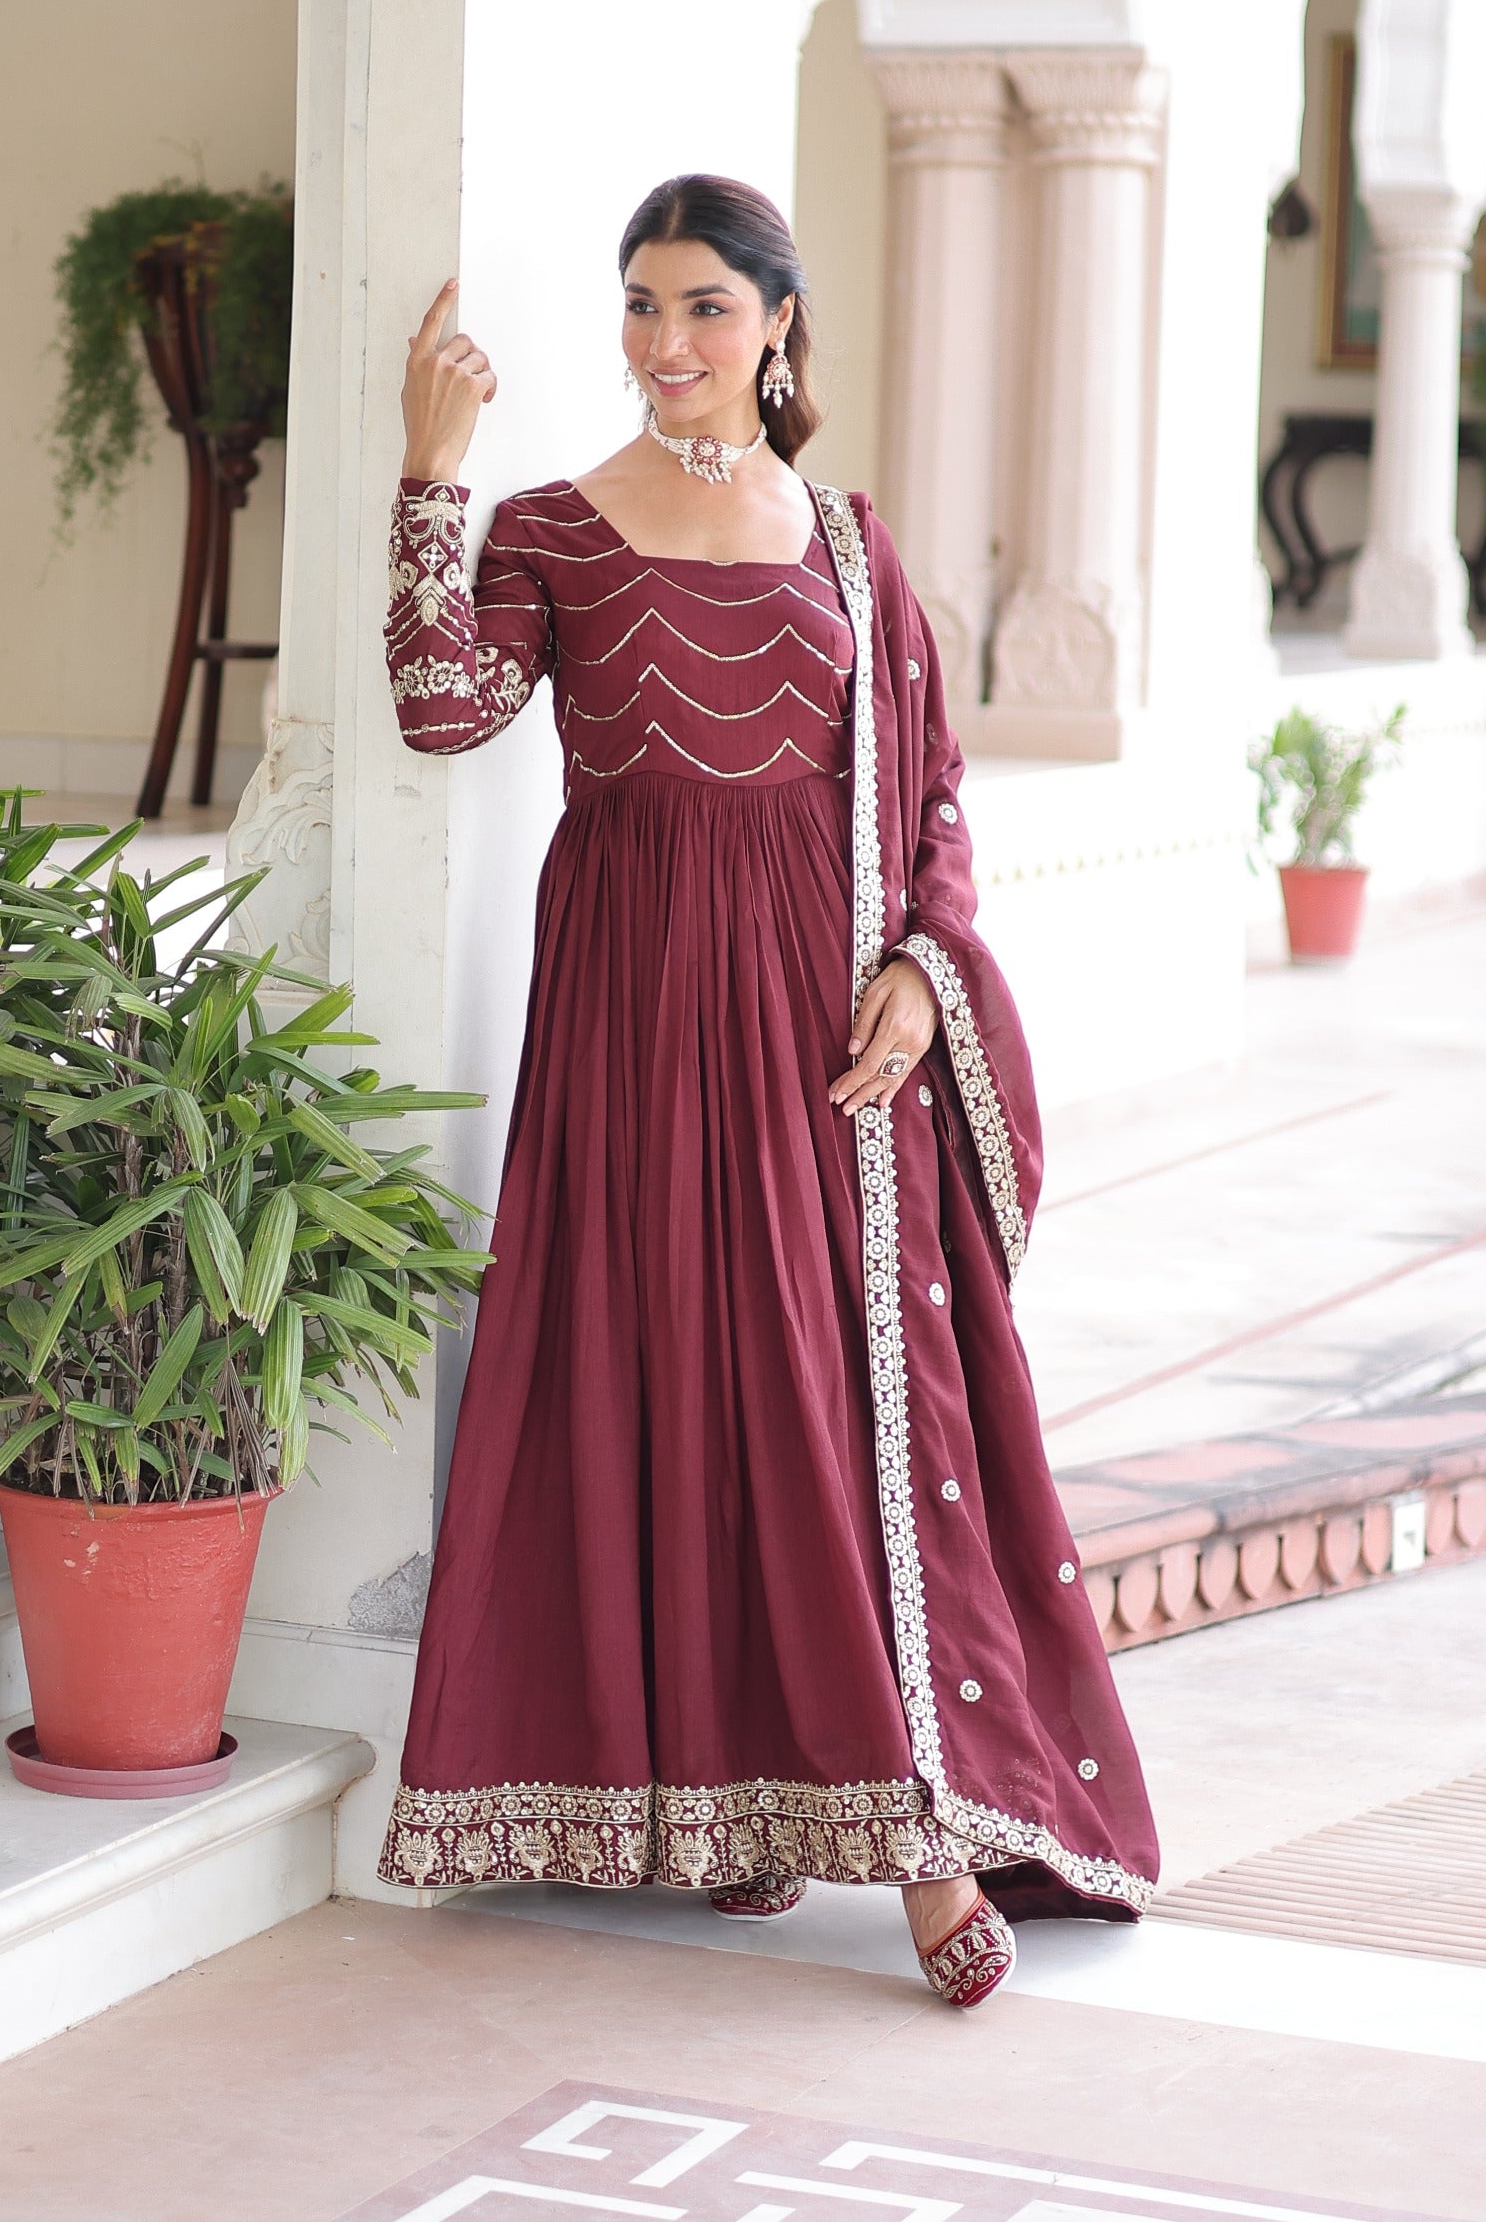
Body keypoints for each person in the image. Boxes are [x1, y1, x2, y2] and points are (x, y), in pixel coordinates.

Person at [376, 175, 1157, 2009]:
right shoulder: (552, 525)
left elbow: (935, 799)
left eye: (705, 309)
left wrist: (919, 967)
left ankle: (920, 1843)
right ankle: (739, 1803)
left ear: (779, 325)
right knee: (664, 1379)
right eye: (640, 307)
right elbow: (436, 711)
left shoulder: (851, 549)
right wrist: (431, 464)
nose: (665, 345)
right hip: (631, 1017)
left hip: (822, 1035)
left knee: (830, 1404)